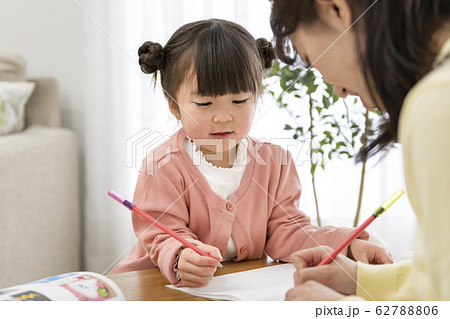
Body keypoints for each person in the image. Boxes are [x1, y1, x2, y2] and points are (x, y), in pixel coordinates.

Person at [110, 18, 391, 288]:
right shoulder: (162, 165)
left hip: (236, 290)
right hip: (155, 289)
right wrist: (182, 257)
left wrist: (347, 245)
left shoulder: (275, 162)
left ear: (256, 96)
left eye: (240, 100)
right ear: (174, 107)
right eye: (205, 103)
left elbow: (288, 230)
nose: (223, 117)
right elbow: (161, 234)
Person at [270, 0, 450, 300]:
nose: (337, 91)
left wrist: (341, 308)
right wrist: (362, 281)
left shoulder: (437, 102)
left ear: (336, 9)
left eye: (311, 59)